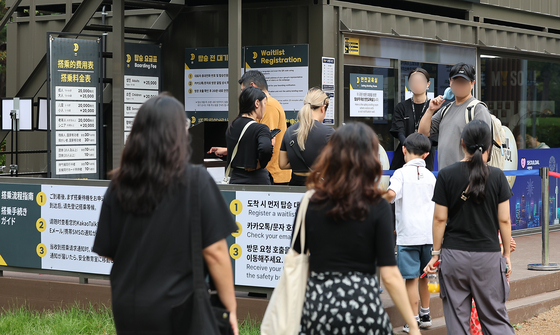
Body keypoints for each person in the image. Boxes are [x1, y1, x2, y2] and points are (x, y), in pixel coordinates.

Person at [92, 94, 239, 335]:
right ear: (177, 135)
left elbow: (108, 251)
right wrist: (230, 307)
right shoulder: (197, 181)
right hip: (182, 309)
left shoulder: (119, 185)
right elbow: (216, 253)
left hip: (129, 306)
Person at [293, 122, 421, 335]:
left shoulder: (310, 203)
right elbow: (389, 275)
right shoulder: (377, 205)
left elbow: (297, 261)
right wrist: (413, 325)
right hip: (363, 306)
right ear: (370, 158)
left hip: (319, 306)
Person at [424, 120, 515, 335]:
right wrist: (506, 255)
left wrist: (435, 254)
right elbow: (504, 220)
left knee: (457, 322)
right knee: (495, 320)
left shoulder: (446, 175)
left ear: (462, 143)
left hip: (454, 257)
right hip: (489, 258)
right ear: (489, 147)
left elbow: (439, 220)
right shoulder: (498, 177)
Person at [383, 132, 436, 333]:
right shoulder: (431, 176)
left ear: (404, 150)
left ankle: (412, 319)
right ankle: (426, 313)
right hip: (429, 236)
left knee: (411, 278)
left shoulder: (400, 174)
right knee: (426, 276)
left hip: (408, 236)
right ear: (425, 155)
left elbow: (391, 194)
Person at [208, 71, 292, 184]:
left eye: (243, 90)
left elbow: (268, 143)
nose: (243, 95)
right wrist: (230, 150)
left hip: (272, 174)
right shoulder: (264, 107)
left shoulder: (269, 106)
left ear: (252, 86)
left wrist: (258, 164)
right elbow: (255, 143)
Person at [418, 63, 492, 170]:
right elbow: (423, 133)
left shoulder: (478, 109)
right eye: (456, 81)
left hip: (467, 176)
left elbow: (485, 149)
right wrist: (430, 110)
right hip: (445, 175)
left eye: (463, 82)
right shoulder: (445, 110)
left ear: (472, 83)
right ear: (450, 82)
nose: (459, 85)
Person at [278, 87, 335, 186]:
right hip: (318, 185)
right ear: (323, 108)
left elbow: (282, 164)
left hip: (295, 185)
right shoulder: (329, 133)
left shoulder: (289, 131)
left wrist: (299, 164)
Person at [225, 86, 274, 185]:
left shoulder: (232, 126)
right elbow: (266, 148)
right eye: (264, 103)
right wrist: (260, 164)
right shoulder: (261, 128)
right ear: (257, 103)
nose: (264, 107)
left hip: (235, 179)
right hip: (257, 180)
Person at [390, 68, 435, 170]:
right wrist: (408, 147)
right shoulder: (401, 107)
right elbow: (399, 131)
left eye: (420, 81)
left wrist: (422, 149)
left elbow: (435, 134)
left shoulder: (434, 107)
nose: (416, 84)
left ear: (428, 84)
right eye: (413, 81)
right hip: (404, 153)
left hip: (425, 155)